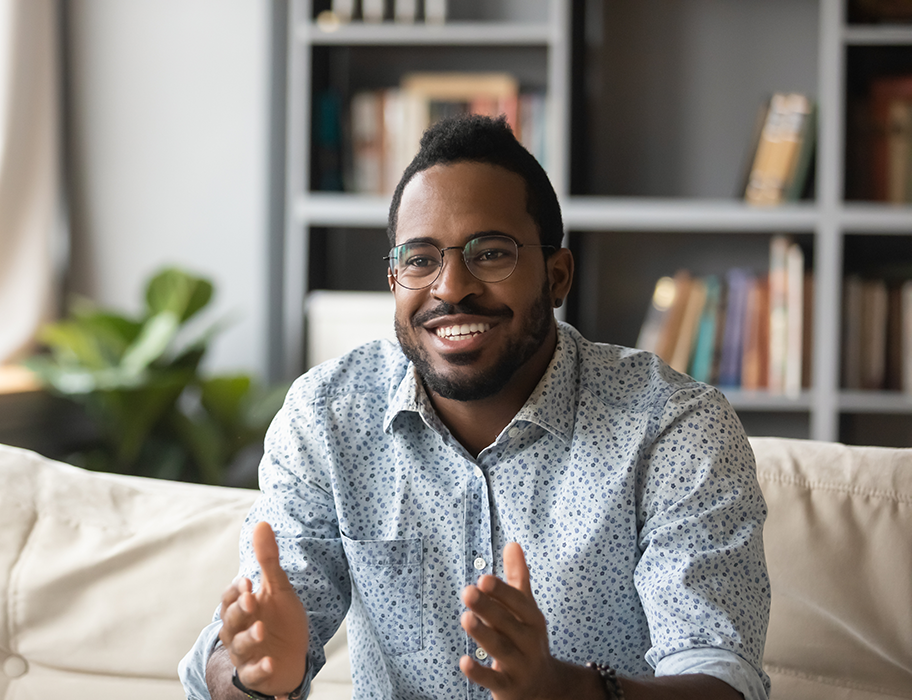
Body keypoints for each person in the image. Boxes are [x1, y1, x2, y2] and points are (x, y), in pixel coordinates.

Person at [178, 114, 769, 700]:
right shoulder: (327, 418)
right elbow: (241, 650)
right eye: (419, 259)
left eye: (491, 253)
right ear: (393, 281)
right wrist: (253, 681)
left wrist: (563, 691)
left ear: (557, 275)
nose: (451, 286)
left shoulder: (673, 428)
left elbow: (721, 678)